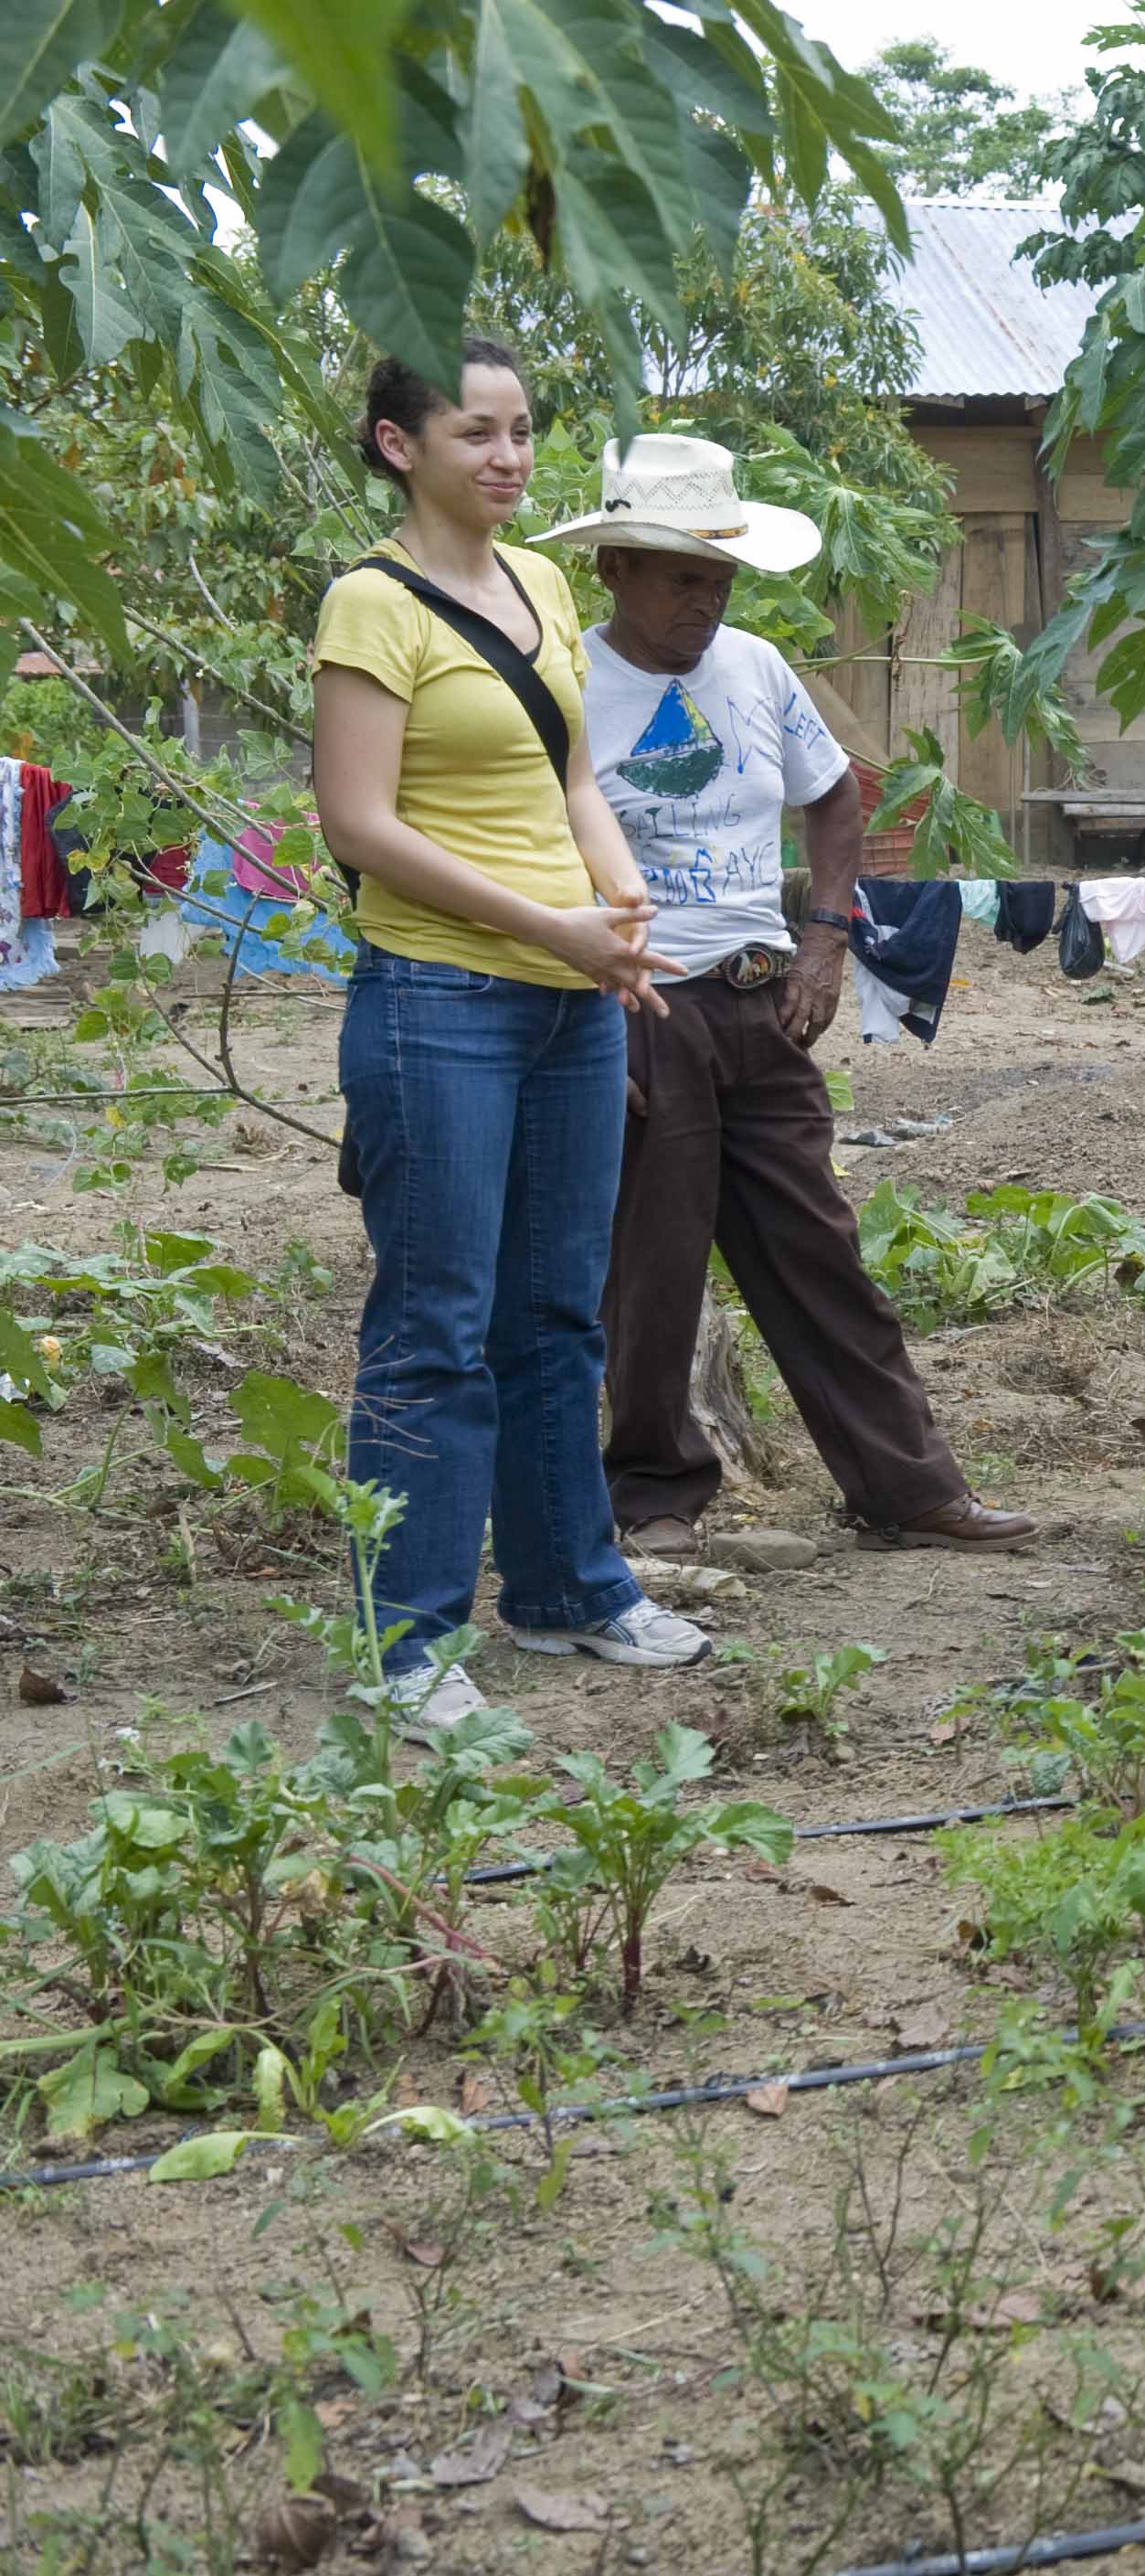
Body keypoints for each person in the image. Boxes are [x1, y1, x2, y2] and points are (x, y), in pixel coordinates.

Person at [544, 435, 1040, 1561]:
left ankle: (906, 1490)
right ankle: (655, 1496)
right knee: (651, 1268)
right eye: (681, 577)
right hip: (642, 1006)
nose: (706, 602)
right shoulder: (563, 682)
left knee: (820, 1252)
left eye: (719, 578)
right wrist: (588, 1004)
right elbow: (532, 848)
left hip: (766, 1005)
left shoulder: (759, 668)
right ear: (613, 568)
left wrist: (824, 940)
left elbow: (833, 802)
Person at [311, 340, 709, 1734]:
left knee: (555, 1313)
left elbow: (573, 772)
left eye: (524, 431)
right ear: (396, 446)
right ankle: (410, 1645)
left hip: (572, 997)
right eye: (475, 432)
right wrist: (551, 933)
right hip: (439, 1005)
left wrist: (614, 891)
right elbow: (358, 827)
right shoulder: (371, 606)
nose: (509, 456)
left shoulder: (539, 579)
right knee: (436, 1329)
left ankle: (568, 1590)